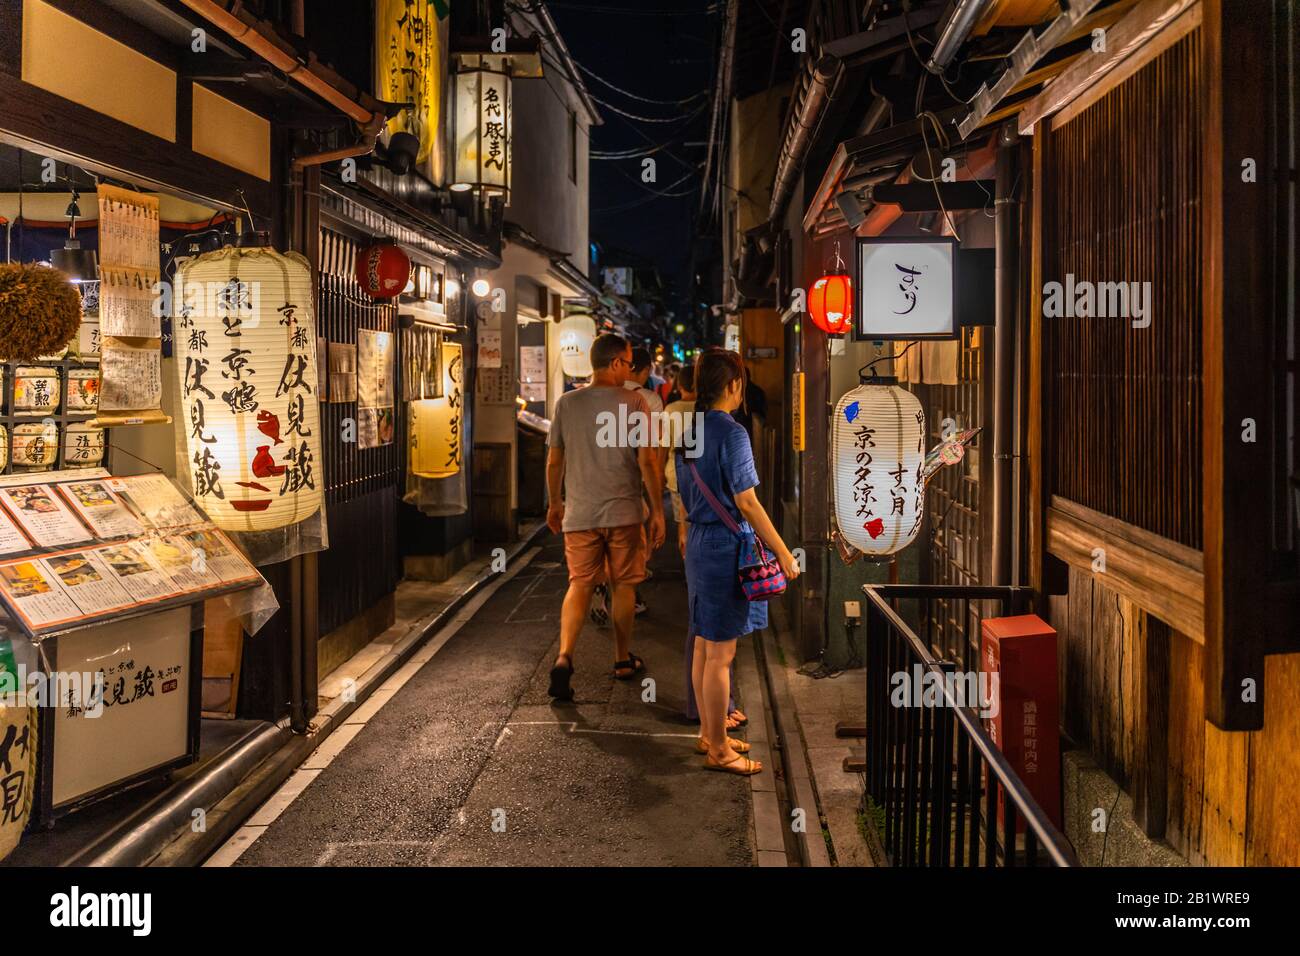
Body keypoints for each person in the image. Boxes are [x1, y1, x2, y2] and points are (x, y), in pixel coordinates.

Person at [678, 348, 799, 774]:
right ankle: (720, 752)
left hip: (698, 542)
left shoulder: (690, 429)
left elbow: (684, 493)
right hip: (726, 547)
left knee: (703, 645)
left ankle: (709, 735)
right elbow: (747, 501)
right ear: (734, 385)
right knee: (721, 655)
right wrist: (783, 551)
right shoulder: (733, 433)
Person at [546, 333, 666, 701]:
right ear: (615, 363)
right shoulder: (635, 403)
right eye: (629, 363)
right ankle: (621, 658)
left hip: (580, 512)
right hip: (624, 512)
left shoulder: (567, 404)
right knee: (623, 585)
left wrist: (555, 504)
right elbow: (647, 460)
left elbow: (554, 461)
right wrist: (658, 510)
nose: (631, 370)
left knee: (580, 584)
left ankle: (565, 657)